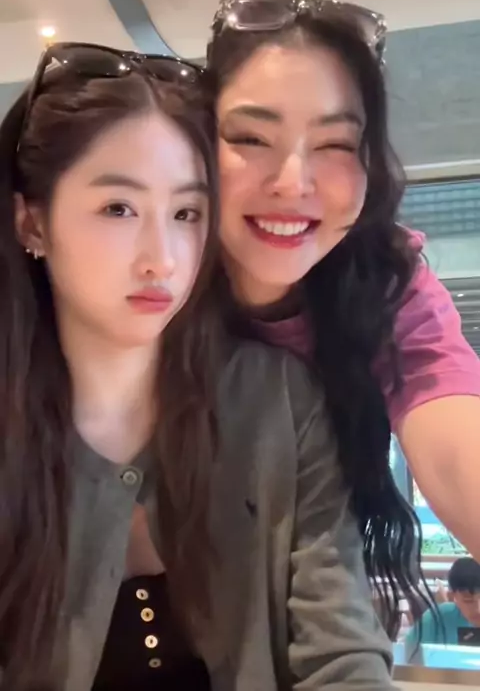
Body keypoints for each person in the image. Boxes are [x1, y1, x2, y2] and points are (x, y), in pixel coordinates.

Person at [0, 42, 395, 690]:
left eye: (186, 213)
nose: (163, 258)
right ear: (31, 222)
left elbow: (341, 647)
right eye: (119, 208)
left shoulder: (276, 400)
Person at [206, 0, 480, 634]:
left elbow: (451, 437)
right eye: (250, 137)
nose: (293, 182)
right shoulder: (146, 273)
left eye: (335, 144)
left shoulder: (386, 281)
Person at [406, 558, 480, 645]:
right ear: (452, 596)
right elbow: (408, 649)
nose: (478, 609)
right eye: (468, 600)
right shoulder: (436, 619)